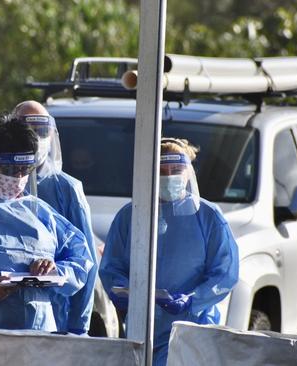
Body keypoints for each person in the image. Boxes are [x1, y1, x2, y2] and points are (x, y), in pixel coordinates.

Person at [0, 114, 93, 366]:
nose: (17, 178)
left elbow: (82, 258)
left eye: (25, 170)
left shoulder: (39, 210)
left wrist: (56, 270)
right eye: (10, 170)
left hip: (37, 343)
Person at [99, 137, 239, 366]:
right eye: (162, 171)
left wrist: (193, 300)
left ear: (188, 173)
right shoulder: (131, 215)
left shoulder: (208, 216)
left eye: (176, 170)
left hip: (192, 328)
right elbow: (112, 266)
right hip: (141, 327)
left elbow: (225, 272)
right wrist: (125, 293)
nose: (170, 176)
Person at [13, 101, 98, 336]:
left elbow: (86, 260)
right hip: (5, 314)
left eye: (41, 130)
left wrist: (78, 325)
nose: (35, 137)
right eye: (26, 129)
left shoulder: (66, 189)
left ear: (51, 134)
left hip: (55, 316)